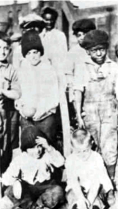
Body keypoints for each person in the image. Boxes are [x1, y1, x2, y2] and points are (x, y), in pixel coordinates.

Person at [74, 29, 118, 184]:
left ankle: (111, 181)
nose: (99, 54)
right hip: (90, 114)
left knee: (110, 150)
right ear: (87, 52)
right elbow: (78, 92)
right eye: (94, 51)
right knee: (92, 150)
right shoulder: (82, 68)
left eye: (102, 49)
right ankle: (96, 184)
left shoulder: (113, 67)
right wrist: (79, 115)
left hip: (109, 113)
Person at [0, 125, 65, 209]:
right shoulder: (21, 158)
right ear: (26, 149)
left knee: (57, 190)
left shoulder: (46, 154)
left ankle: (39, 206)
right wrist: (14, 183)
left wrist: (49, 148)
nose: (37, 150)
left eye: (39, 146)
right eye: (32, 148)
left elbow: (60, 162)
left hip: (45, 186)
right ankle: (27, 205)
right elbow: (8, 176)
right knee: (13, 191)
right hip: (27, 188)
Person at [15, 29, 59, 148]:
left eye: (35, 52)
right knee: (28, 147)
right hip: (27, 118)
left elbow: (54, 96)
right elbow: (18, 93)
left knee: (46, 145)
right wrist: (21, 108)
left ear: (41, 52)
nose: (33, 56)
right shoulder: (22, 70)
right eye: (28, 53)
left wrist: (41, 111)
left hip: (45, 117)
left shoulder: (49, 70)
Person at [65, 129, 115, 209]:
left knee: (96, 201)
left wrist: (89, 201)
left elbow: (96, 182)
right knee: (74, 198)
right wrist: (81, 199)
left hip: (95, 186)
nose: (82, 155)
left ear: (91, 144)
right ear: (73, 148)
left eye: (85, 151)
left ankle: (96, 204)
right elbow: (73, 181)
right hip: (77, 187)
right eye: (78, 152)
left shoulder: (96, 157)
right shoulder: (70, 160)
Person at [0, 32, 21, 173]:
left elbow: (17, 93)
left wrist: (4, 92)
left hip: (6, 114)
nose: (2, 52)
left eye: (5, 48)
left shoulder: (12, 70)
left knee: (6, 148)